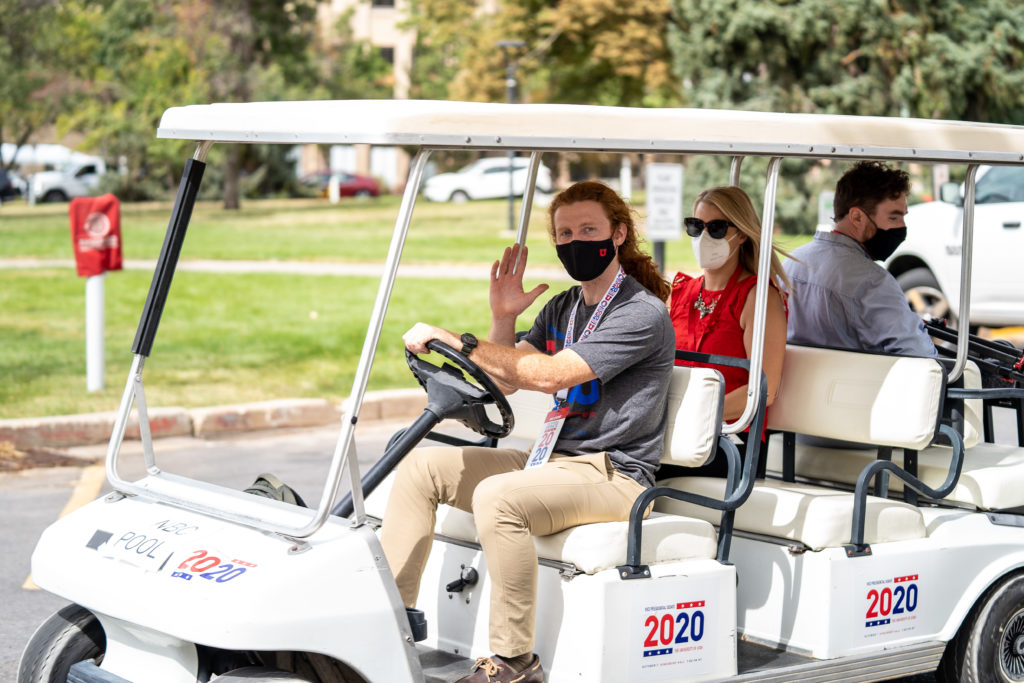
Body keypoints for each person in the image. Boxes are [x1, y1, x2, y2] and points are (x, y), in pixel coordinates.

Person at [381, 180, 675, 683]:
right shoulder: (564, 307)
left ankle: (515, 662)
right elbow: (506, 379)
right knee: (421, 466)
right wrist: (502, 319)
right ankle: (389, 621)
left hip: (615, 473)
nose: (575, 242)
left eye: (589, 230)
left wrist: (458, 339)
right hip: (552, 461)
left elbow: (550, 374)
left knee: (499, 496)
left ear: (619, 234)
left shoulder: (641, 314)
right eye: (564, 233)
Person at [666, 186, 789, 479]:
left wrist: (694, 417)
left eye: (717, 228)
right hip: (673, 430)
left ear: (742, 234)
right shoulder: (680, 292)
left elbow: (763, 390)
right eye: (695, 226)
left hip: (730, 439)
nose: (703, 237)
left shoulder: (758, 298)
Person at [784, 160, 937, 357]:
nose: (902, 227)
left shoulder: (790, 263)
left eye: (903, 217)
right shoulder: (872, 282)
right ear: (857, 217)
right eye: (893, 218)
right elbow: (919, 355)